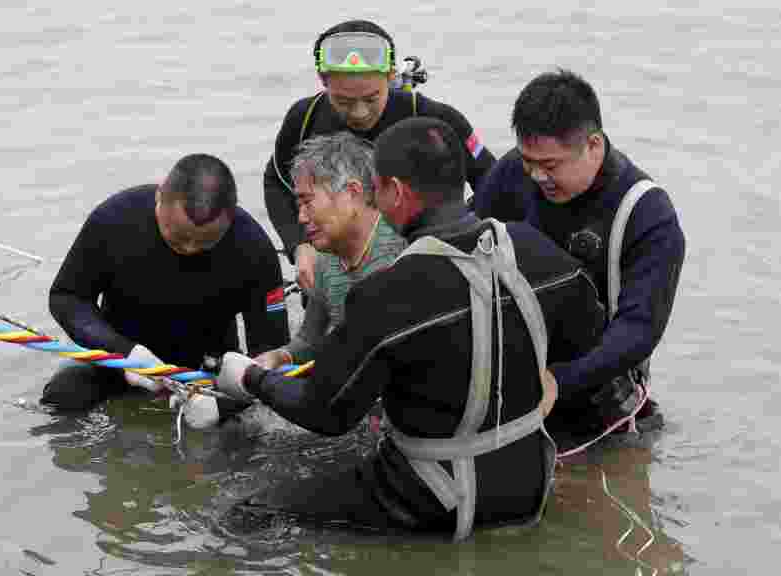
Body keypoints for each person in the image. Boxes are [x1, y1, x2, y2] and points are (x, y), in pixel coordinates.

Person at [213, 117, 605, 541]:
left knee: (249, 514)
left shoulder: (385, 293)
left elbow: (324, 413)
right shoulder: (537, 250)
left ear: (394, 193)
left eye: (378, 188)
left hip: (431, 496)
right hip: (527, 484)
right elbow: (587, 335)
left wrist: (250, 378)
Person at [472, 68, 686, 447]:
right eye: (528, 161)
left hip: (598, 399)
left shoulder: (647, 214)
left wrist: (558, 380)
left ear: (594, 145)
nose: (537, 176)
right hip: (511, 381)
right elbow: (465, 245)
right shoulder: (511, 173)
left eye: (551, 165)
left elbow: (638, 330)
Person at [41, 153, 290, 424]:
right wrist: (124, 353)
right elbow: (67, 297)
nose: (190, 249)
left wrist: (224, 406)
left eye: (206, 242)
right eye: (179, 236)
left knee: (231, 434)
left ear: (230, 220)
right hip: (121, 361)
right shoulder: (115, 219)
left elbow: (269, 357)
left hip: (205, 372)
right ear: (160, 197)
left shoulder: (253, 249)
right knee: (63, 393)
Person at [264, 19, 496, 295]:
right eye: (344, 101)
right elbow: (276, 182)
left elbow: (494, 183)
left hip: (423, 275)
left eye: (372, 98)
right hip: (335, 279)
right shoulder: (304, 119)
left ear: (390, 76)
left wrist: (458, 240)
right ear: (323, 81)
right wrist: (299, 245)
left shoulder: (435, 120)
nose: (360, 112)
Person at [254, 131, 406, 371]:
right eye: (298, 205)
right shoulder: (327, 257)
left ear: (352, 193)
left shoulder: (404, 249)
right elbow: (309, 340)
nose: (301, 218)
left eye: (308, 202)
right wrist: (276, 358)